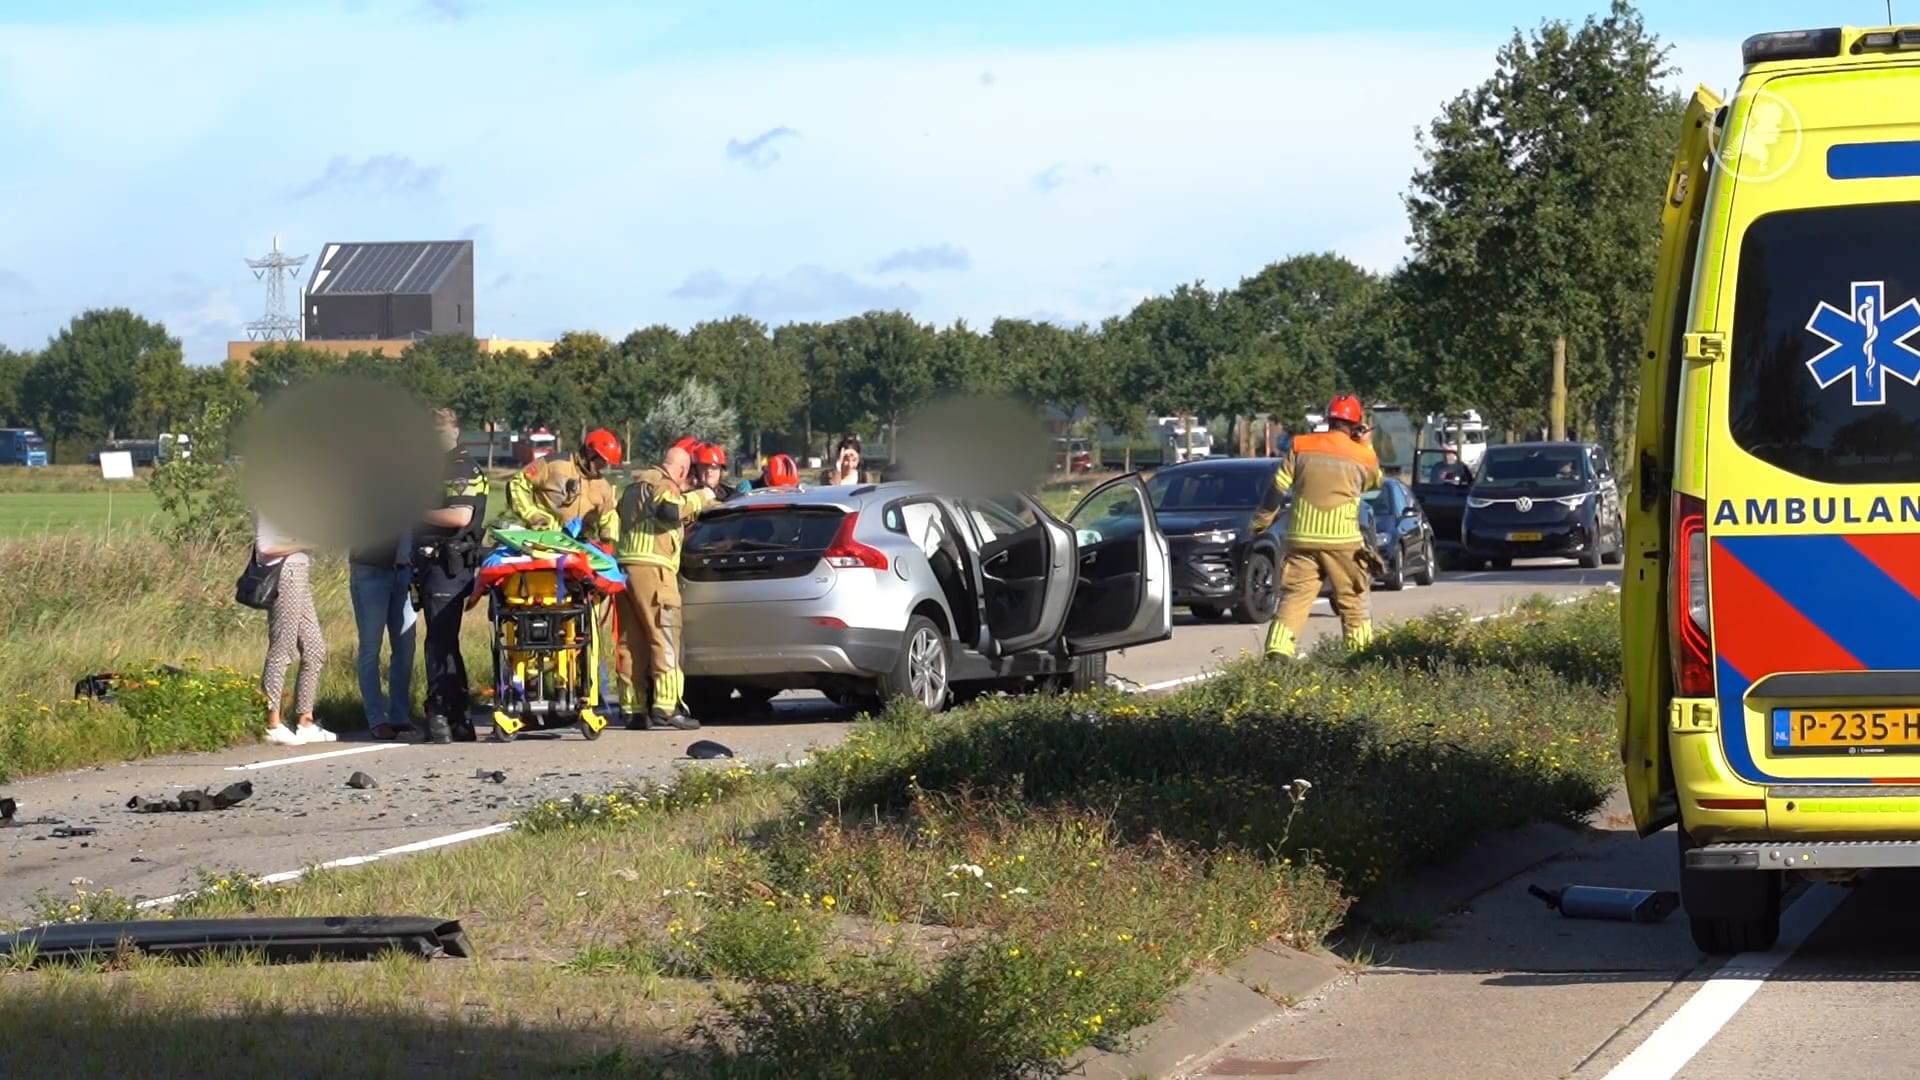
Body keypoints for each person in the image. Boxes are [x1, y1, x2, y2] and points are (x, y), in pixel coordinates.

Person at [1256, 394, 1383, 662]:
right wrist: (1366, 446)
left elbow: (1278, 487)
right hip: (1342, 541)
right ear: (1356, 424)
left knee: (1295, 597)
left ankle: (1278, 653)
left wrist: (1262, 521)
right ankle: (1362, 659)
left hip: (1301, 537)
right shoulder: (1362, 455)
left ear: (1329, 419)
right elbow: (1373, 484)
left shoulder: (1301, 445)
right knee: (1353, 599)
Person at [614, 444, 715, 731]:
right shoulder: (665, 484)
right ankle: (667, 706)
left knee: (630, 643)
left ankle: (632, 708)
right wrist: (700, 497)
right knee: (665, 635)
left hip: (624, 568)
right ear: (682, 470)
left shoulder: (635, 486)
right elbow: (670, 510)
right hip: (654, 569)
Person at [414, 408, 491, 744]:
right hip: (439, 565)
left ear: (455, 433)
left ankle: (442, 712)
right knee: (445, 642)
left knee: (439, 643)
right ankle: (458, 716)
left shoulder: (459, 466)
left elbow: (460, 515)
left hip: (448, 566)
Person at [256, 509, 334, 746]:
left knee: (314, 649)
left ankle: (305, 720)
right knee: (283, 649)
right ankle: (272, 721)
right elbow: (266, 546)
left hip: (299, 573)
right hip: (284, 574)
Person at [348, 525, 416, 741]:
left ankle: (399, 715)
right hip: (370, 570)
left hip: (404, 571)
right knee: (370, 647)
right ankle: (376, 718)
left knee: (405, 647)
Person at [506, 427, 623, 545]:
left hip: (581, 548)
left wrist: (608, 539)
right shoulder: (554, 465)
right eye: (602, 460)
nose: (604, 465)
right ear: (590, 452)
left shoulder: (603, 487)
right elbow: (517, 484)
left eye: (606, 462)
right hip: (541, 541)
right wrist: (532, 515)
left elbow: (609, 516)